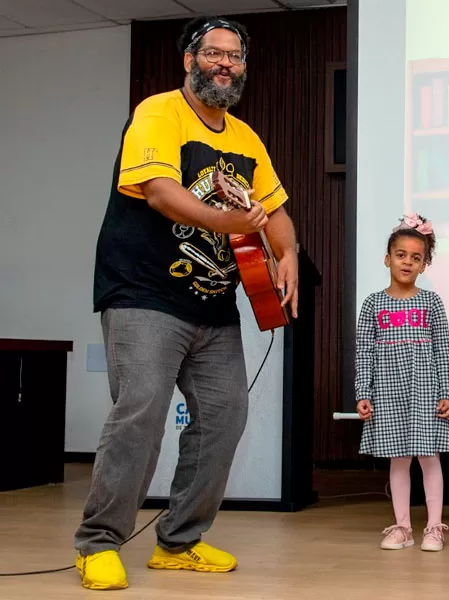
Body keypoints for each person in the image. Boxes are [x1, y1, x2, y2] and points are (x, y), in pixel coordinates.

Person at [74, 16, 299, 591]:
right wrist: (229, 220)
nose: (225, 64)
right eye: (213, 54)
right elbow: (160, 192)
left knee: (226, 417)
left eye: (235, 57)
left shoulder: (246, 138)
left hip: (213, 303)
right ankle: (98, 542)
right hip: (144, 292)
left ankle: (178, 541)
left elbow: (273, 211)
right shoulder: (158, 112)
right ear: (189, 60)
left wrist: (289, 252)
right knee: (141, 410)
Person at [355, 214, 449, 552]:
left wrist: (446, 392)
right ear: (387, 258)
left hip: (424, 392)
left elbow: (443, 349)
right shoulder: (372, 304)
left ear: (424, 264)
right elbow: (364, 352)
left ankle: (433, 527)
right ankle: (402, 527)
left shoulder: (431, 302)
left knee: (429, 457)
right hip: (386, 392)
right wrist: (362, 393)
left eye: (416, 257)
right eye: (401, 255)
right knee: (398, 459)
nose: (407, 262)